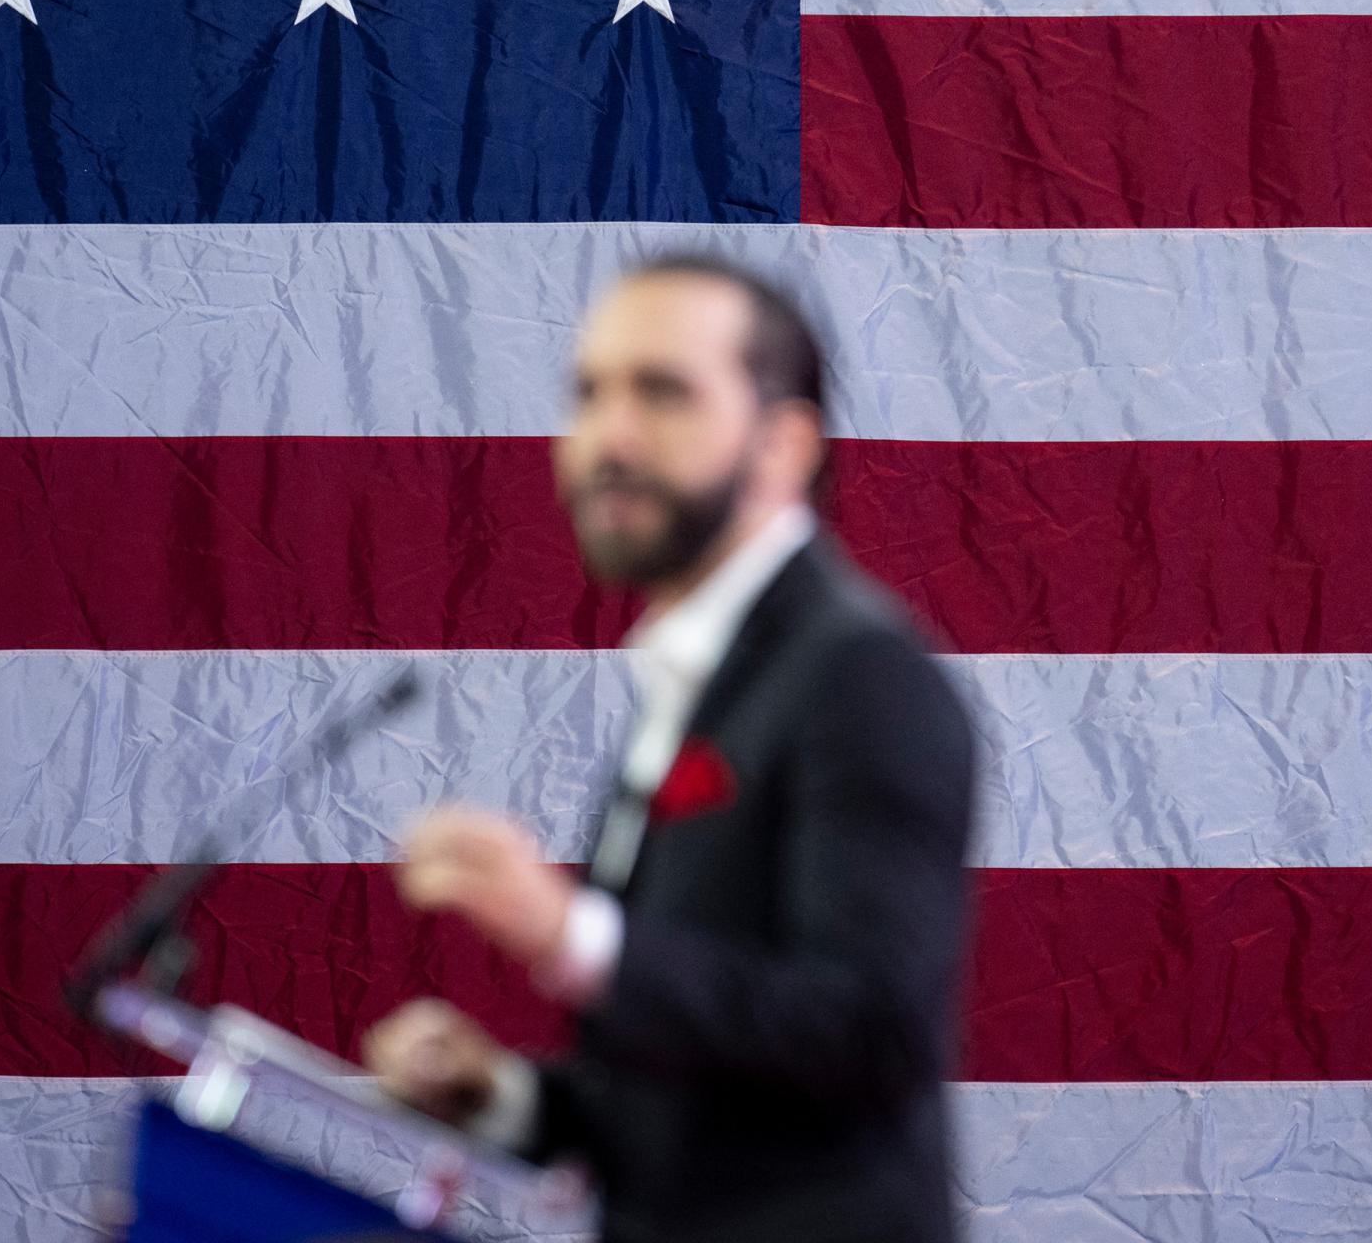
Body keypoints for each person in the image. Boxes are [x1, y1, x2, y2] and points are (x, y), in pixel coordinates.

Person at [360, 253, 978, 1242]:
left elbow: (873, 1030)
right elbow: (716, 1069)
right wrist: (509, 1099)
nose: (609, 433)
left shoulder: (861, 676)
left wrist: (569, 933)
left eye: (663, 390)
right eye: (589, 391)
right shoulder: (700, 679)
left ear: (784, 444)